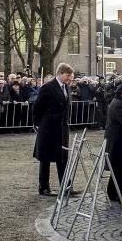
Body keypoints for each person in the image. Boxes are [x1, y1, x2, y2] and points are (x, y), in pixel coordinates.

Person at [32, 63, 75, 197]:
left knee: (63, 157)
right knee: (45, 158)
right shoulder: (48, 87)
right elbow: (37, 107)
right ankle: (44, 187)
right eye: (68, 76)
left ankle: (66, 186)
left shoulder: (66, 88)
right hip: (48, 127)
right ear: (60, 73)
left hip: (62, 128)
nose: (70, 79)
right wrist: (37, 124)